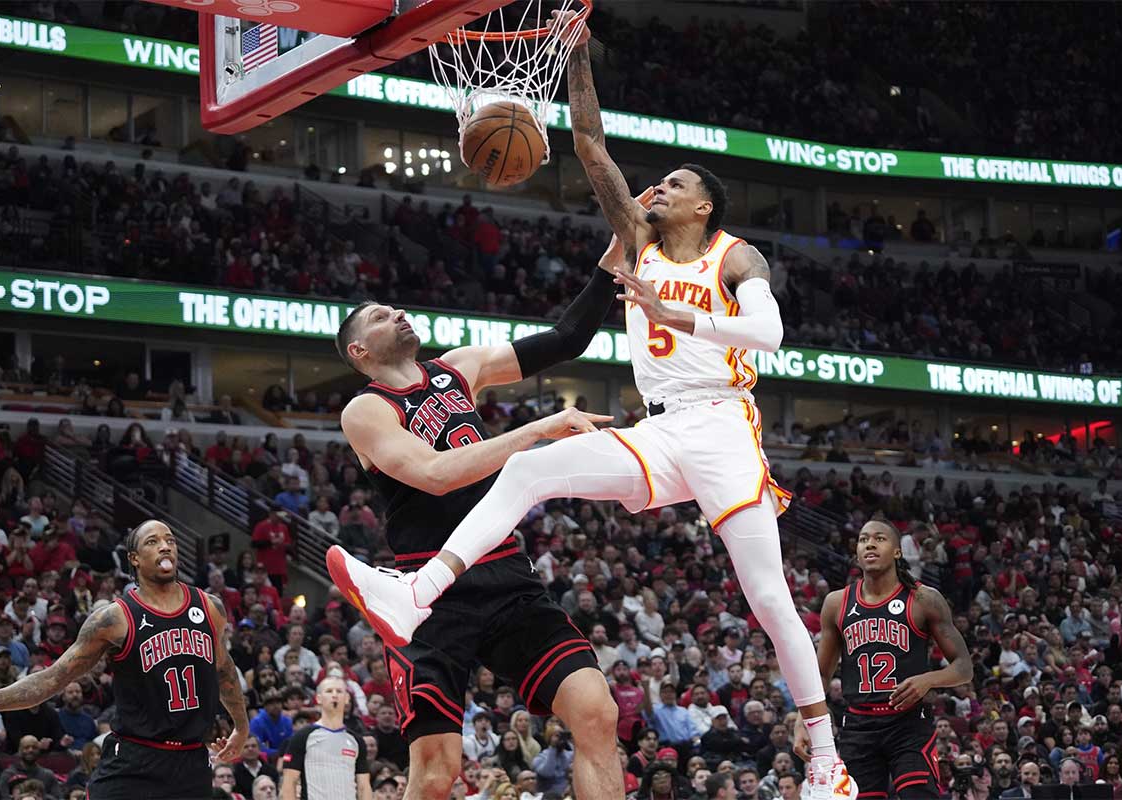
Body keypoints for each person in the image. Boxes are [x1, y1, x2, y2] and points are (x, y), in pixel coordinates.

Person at [332, 12, 853, 800]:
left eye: (677, 184)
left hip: (722, 427)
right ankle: (417, 590)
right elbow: (589, 146)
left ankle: (824, 755)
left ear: (705, 208)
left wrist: (676, 313)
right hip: (662, 427)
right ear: (359, 355)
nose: (661, 188)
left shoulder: (733, 253)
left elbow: (769, 333)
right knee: (537, 466)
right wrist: (575, 63)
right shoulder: (637, 241)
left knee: (769, 596)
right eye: (662, 183)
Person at [323, 232, 631, 799]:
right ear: (359, 352)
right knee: (438, 777)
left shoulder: (458, 368)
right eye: (379, 315)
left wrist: (609, 267)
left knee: (596, 712)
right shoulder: (365, 410)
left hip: (506, 574)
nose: (397, 312)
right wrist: (537, 431)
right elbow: (438, 473)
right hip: (431, 592)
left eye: (396, 307)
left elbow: (567, 339)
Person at [0, 520, 249, 799]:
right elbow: (54, 677)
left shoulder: (210, 607)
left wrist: (241, 726)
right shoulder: (115, 618)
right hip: (134, 759)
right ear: (134, 559)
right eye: (153, 542)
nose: (165, 547)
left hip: (191, 762)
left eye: (170, 541)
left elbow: (223, 670)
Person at [794, 518, 973, 799]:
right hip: (858, 725)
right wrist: (802, 720)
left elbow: (964, 667)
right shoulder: (836, 603)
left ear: (898, 551)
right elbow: (821, 676)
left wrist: (928, 680)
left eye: (879, 538)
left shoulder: (924, 599)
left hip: (908, 722)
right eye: (864, 539)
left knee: (919, 795)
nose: (870, 544)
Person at [279, 675, 371, 800]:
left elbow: (363, 786)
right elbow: (289, 783)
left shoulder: (356, 741)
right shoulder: (302, 737)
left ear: (347, 699)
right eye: (329, 691)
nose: (334, 695)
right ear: (319, 698)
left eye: (339, 691)